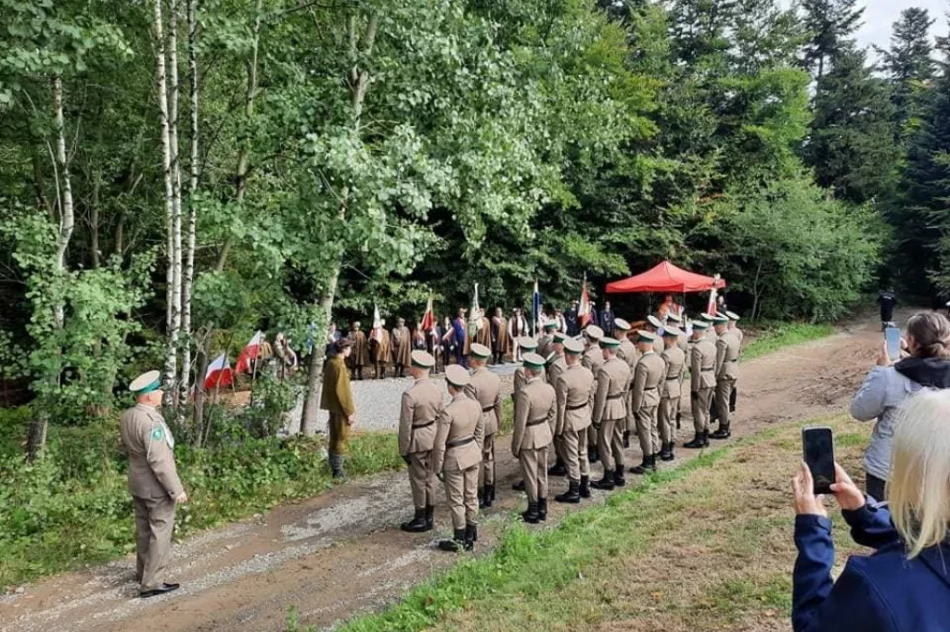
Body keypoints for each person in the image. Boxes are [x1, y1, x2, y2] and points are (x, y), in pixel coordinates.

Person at [791, 389, 950, 631]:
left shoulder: (877, 589)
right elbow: (933, 551)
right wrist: (864, 516)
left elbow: (812, 625)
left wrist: (813, 534)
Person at [849, 311, 950, 501]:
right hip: (940, 471)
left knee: (882, 519)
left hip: (889, 471)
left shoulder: (889, 376)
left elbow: (860, 411)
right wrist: (911, 357)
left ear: (910, 340)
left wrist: (879, 370)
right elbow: (930, 368)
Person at [119, 370, 188, 598]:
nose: (161, 394)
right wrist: (176, 489)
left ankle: (143, 573)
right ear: (148, 396)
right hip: (156, 487)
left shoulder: (128, 415)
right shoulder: (151, 422)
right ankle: (152, 582)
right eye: (158, 391)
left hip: (137, 482)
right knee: (160, 531)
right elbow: (159, 460)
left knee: (143, 530)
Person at [433, 365, 484, 552]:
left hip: (455, 457)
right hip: (472, 453)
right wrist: (476, 450)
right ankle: (472, 531)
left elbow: (440, 443)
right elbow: (480, 432)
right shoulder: (475, 405)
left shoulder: (448, 411)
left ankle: (460, 538)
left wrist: (437, 466)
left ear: (450, 386)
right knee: (471, 495)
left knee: (456, 500)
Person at [398, 350, 443, 533]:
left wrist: (404, 449)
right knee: (431, 478)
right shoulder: (437, 390)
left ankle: (420, 517)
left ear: (416, 369)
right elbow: (440, 416)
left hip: (417, 439)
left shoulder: (410, 394)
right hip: (433, 436)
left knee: (418, 480)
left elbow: (405, 426)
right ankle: (430, 516)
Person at [512, 353, 555, 523]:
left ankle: (533, 509)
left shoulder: (525, 393)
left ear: (528, 371)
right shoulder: (549, 388)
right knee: (542, 472)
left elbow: (520, 423)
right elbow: (552, 414)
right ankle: (543, 508)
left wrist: (516, 446)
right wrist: (549, 431)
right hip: (544, 432)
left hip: (529, 436)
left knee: (530, 475)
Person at [553, 337, 595, 503]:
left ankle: (574, 489)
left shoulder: (564, 378)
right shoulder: (588, 373)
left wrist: (558, 428)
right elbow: (591, 397)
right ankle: (585, 484)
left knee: (571, 455)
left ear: (568, 356)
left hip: (570, 418)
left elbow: (561, 405)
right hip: (584, 415)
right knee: (582, 451)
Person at [591, 337, 632, 490]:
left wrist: (596, 417)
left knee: (604, 442)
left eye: (603, 349)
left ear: (607, 351)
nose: (602, 352)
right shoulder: (624, 366)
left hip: (608, 407)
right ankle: (620, 473)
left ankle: (608, 475)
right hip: (620, 404)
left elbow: (601, 396)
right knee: (618, 440)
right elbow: (627, 388)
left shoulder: (604, 370)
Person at [466, 343, 502, 509]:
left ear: (474, 360)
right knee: (489, 457)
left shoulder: (471, 382)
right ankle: (489, 490)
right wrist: (498, 422)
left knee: (476, 459)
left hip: (477, 422)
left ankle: (479, 491)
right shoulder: (495, 378)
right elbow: (498, 403)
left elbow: (470, 409)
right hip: (491, 418)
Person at [630, 330, 665, 474]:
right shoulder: (659, 360)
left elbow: (638, 388)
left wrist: (635, 407)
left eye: (639, 342)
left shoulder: (643, 363)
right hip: (654, 396)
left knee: (644, 431)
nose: (637, 345)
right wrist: (658, 396)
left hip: (644, 399)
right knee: (653, 427)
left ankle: (648, 461)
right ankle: (654, 455)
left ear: (644, 344)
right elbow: (662, 381)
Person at [321, 338, 356, 478]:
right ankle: (338, 470)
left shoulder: (330, 363)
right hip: (341, 408)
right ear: (344, 349)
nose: (350, 351)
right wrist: (349, 411)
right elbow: (343, 392)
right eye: (349, 348)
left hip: (333, 406)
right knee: (342, 437)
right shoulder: (339, 365)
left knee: (334, 437)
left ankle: (334, 467)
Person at [684, 321, 716, 449]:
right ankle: (705, 434)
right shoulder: (712, 346)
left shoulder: (697, 348)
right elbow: (715, 364)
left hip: (701, 381)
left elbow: (696, 371)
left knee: (698, 411)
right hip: (710, 379)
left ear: (697, 332)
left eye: (694, 331)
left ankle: (699, 437)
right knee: (706, 410)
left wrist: (694, 388)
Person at [710, 314, 739, 440]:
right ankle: (724, 426)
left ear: (720, 326)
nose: (715, 329)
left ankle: (724, 428)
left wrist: (714, 376)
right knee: (725, 400)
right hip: (734, 370)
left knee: (722, 402)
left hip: (724, 373)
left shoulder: (722, 341)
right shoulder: (734, 337)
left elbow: (718, 361)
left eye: (716, 327)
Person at [658, 326, 685, 462]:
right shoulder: (680, 352)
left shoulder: (666, 355)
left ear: (668, 339)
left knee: (664, 419)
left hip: (666, 388)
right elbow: (682, 372)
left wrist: (659, 391)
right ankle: (671, 442)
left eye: (664, 337)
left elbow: (662, 376)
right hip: (675, 386)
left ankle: (666, 447)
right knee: (672, 418)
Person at [581, 325, 605, 464]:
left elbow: (585, 376)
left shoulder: (588, 356)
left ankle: (593, 447)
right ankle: (601, 447)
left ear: (588, 339)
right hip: (602, 384)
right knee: (600, 415)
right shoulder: (602, 352)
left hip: (592, 386)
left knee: (591, 417)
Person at [545, 333, 569, 477]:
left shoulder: (556, 366)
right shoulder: (570, 360)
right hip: (572, 402)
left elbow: (555, 390)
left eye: (555, 343)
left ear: (560, 346)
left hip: (560, 404)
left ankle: (562, 462)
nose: (553, 345)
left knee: (558, 435)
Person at [725, 311, 742, 413]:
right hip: (735, 361)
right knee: (733, 384)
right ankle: (732, 405)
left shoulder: (727, 333)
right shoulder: (739, 332)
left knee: (725, 386)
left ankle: (726, 406)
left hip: (727, 361)